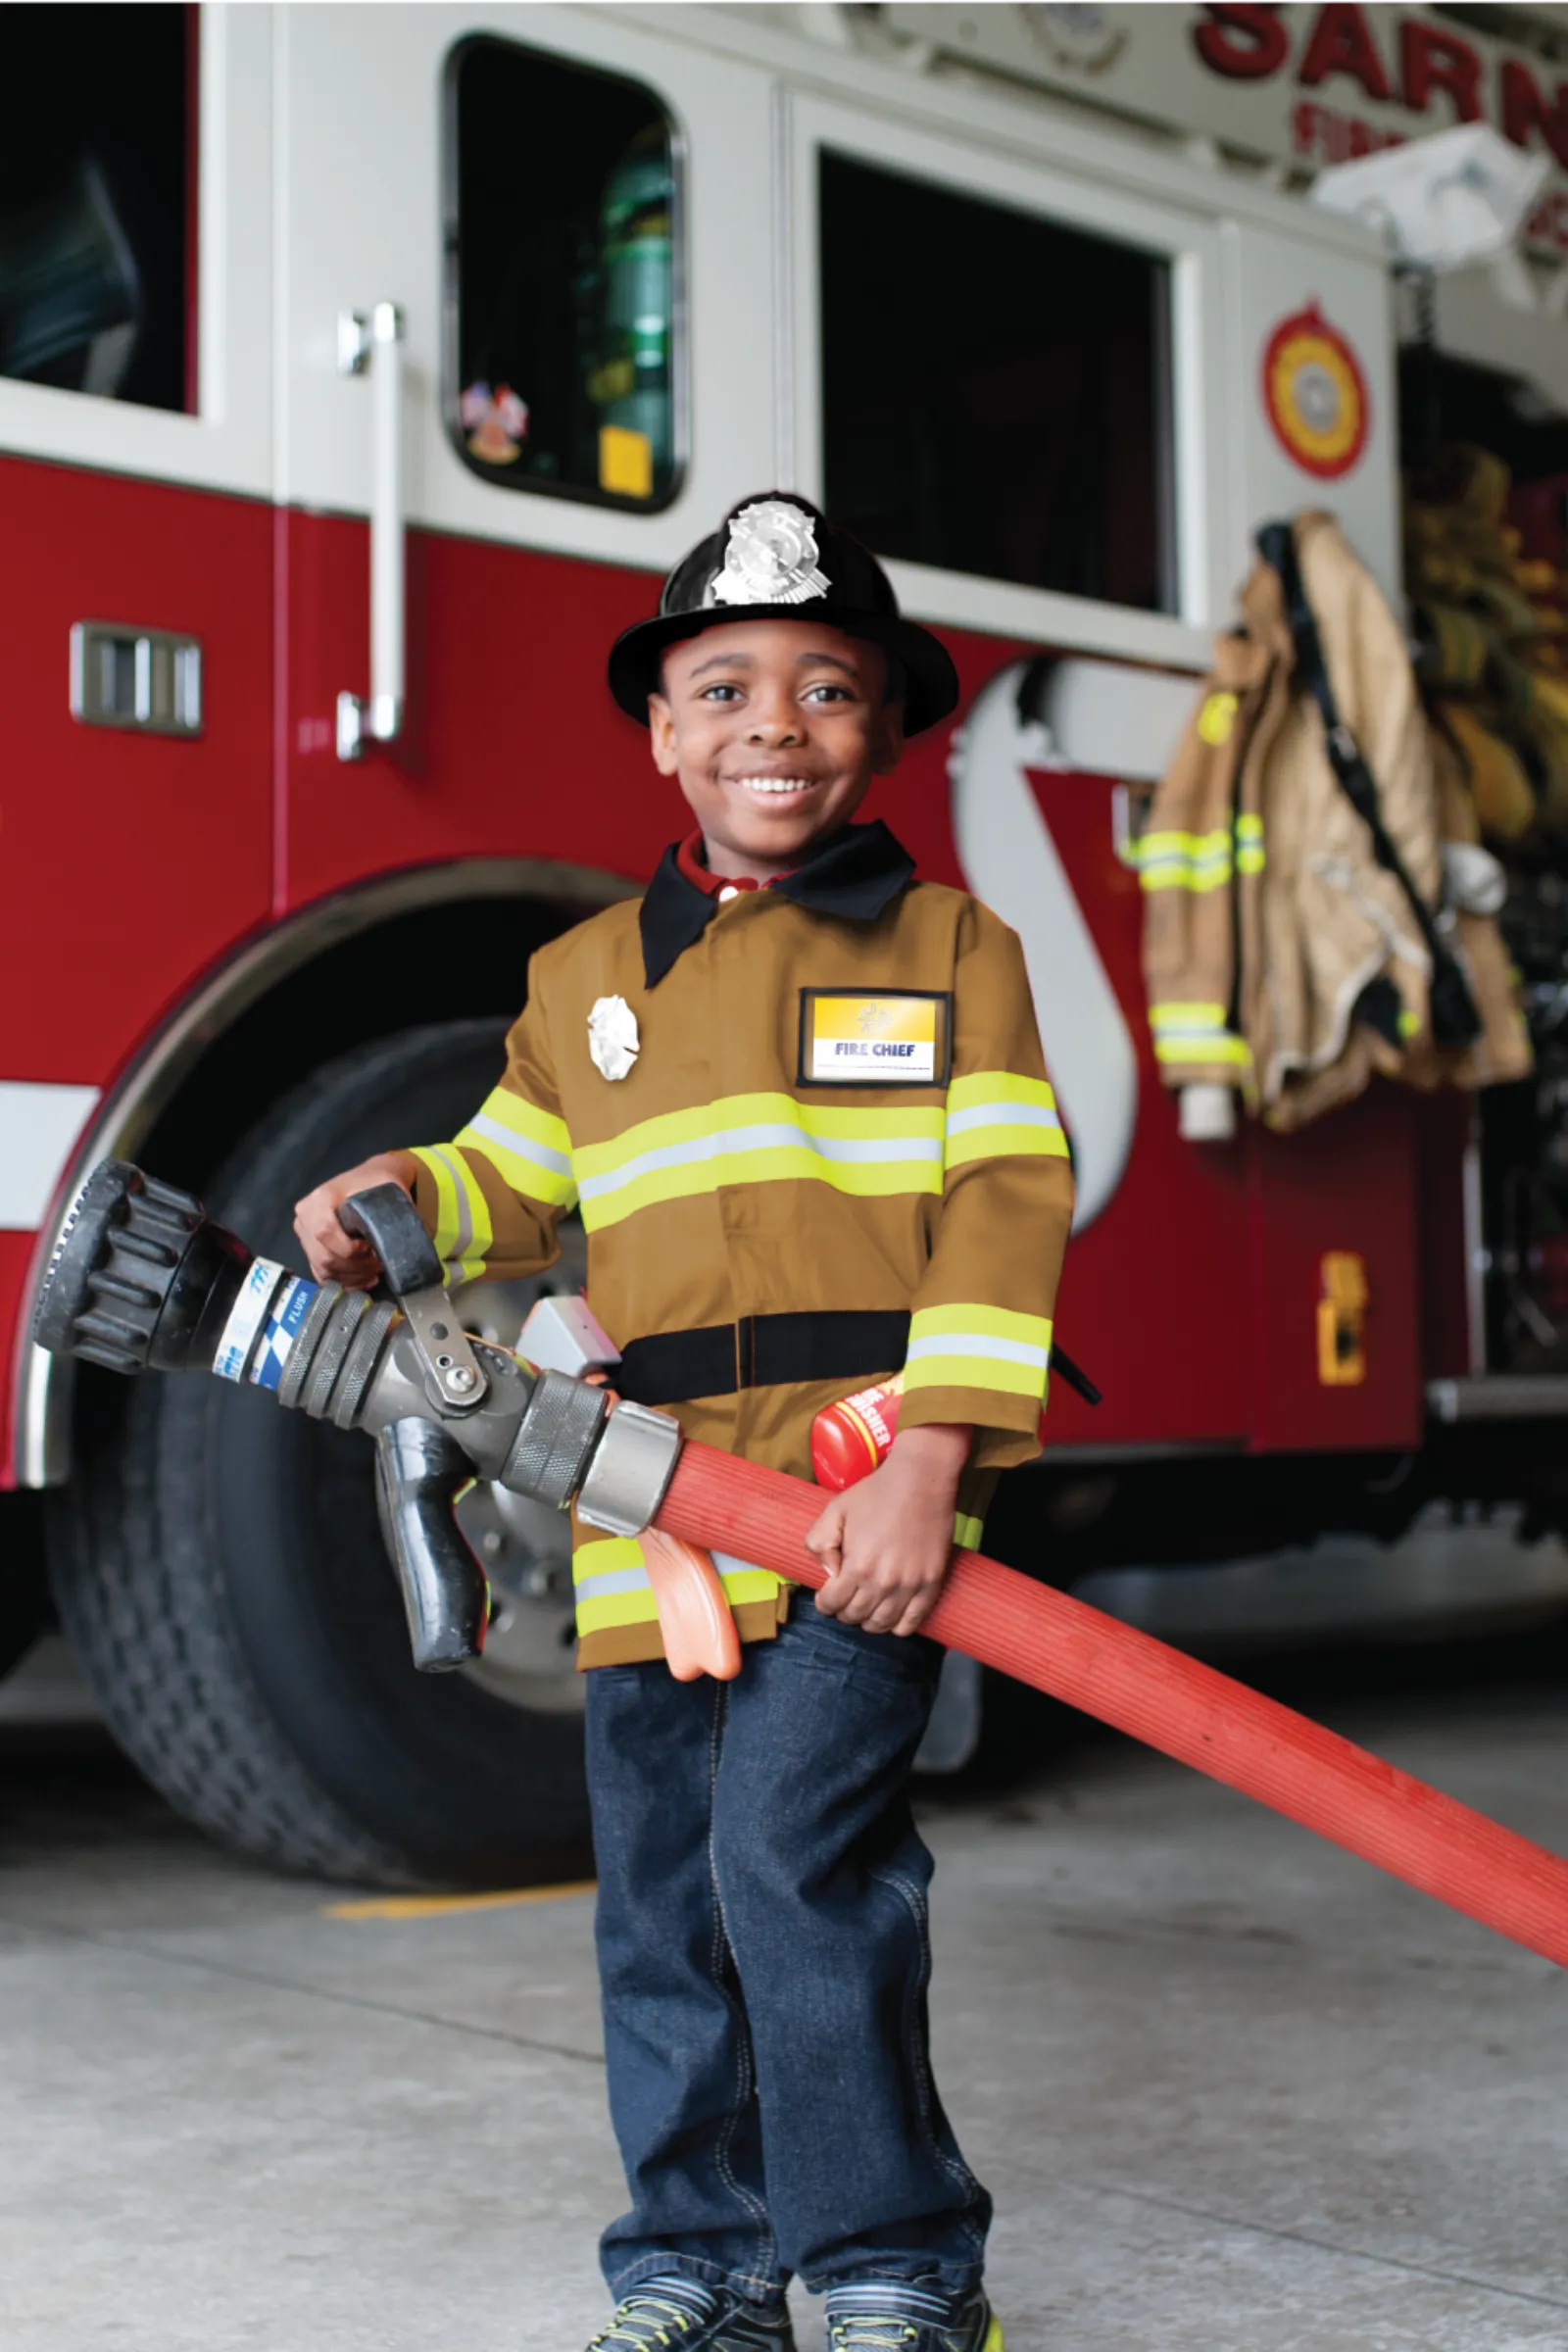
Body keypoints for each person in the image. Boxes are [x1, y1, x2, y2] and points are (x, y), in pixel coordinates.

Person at [294, 494, 1075, 2352]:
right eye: (723, 686)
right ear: (661, 729)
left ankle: (893, 2262)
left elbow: (1004, 1202)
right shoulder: (583, 986)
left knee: (790, 1864)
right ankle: (700, 2269)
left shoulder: (956, 946)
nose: (773, 726)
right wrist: (407, 1180)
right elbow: (508, 1181)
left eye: (825, 688)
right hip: (643, 1529)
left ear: (885, 728)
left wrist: (939, 1471)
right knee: (659, 1907)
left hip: (856, 1510)